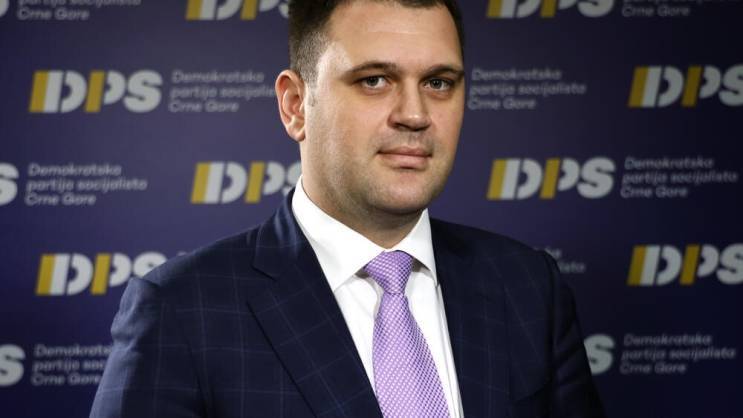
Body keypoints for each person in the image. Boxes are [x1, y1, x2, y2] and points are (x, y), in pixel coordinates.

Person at [90, 0, 605, 417]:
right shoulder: (183, 310)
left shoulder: (528, 287)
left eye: (438, 82)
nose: (415, 115)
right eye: (374, 80)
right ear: (295, 105)